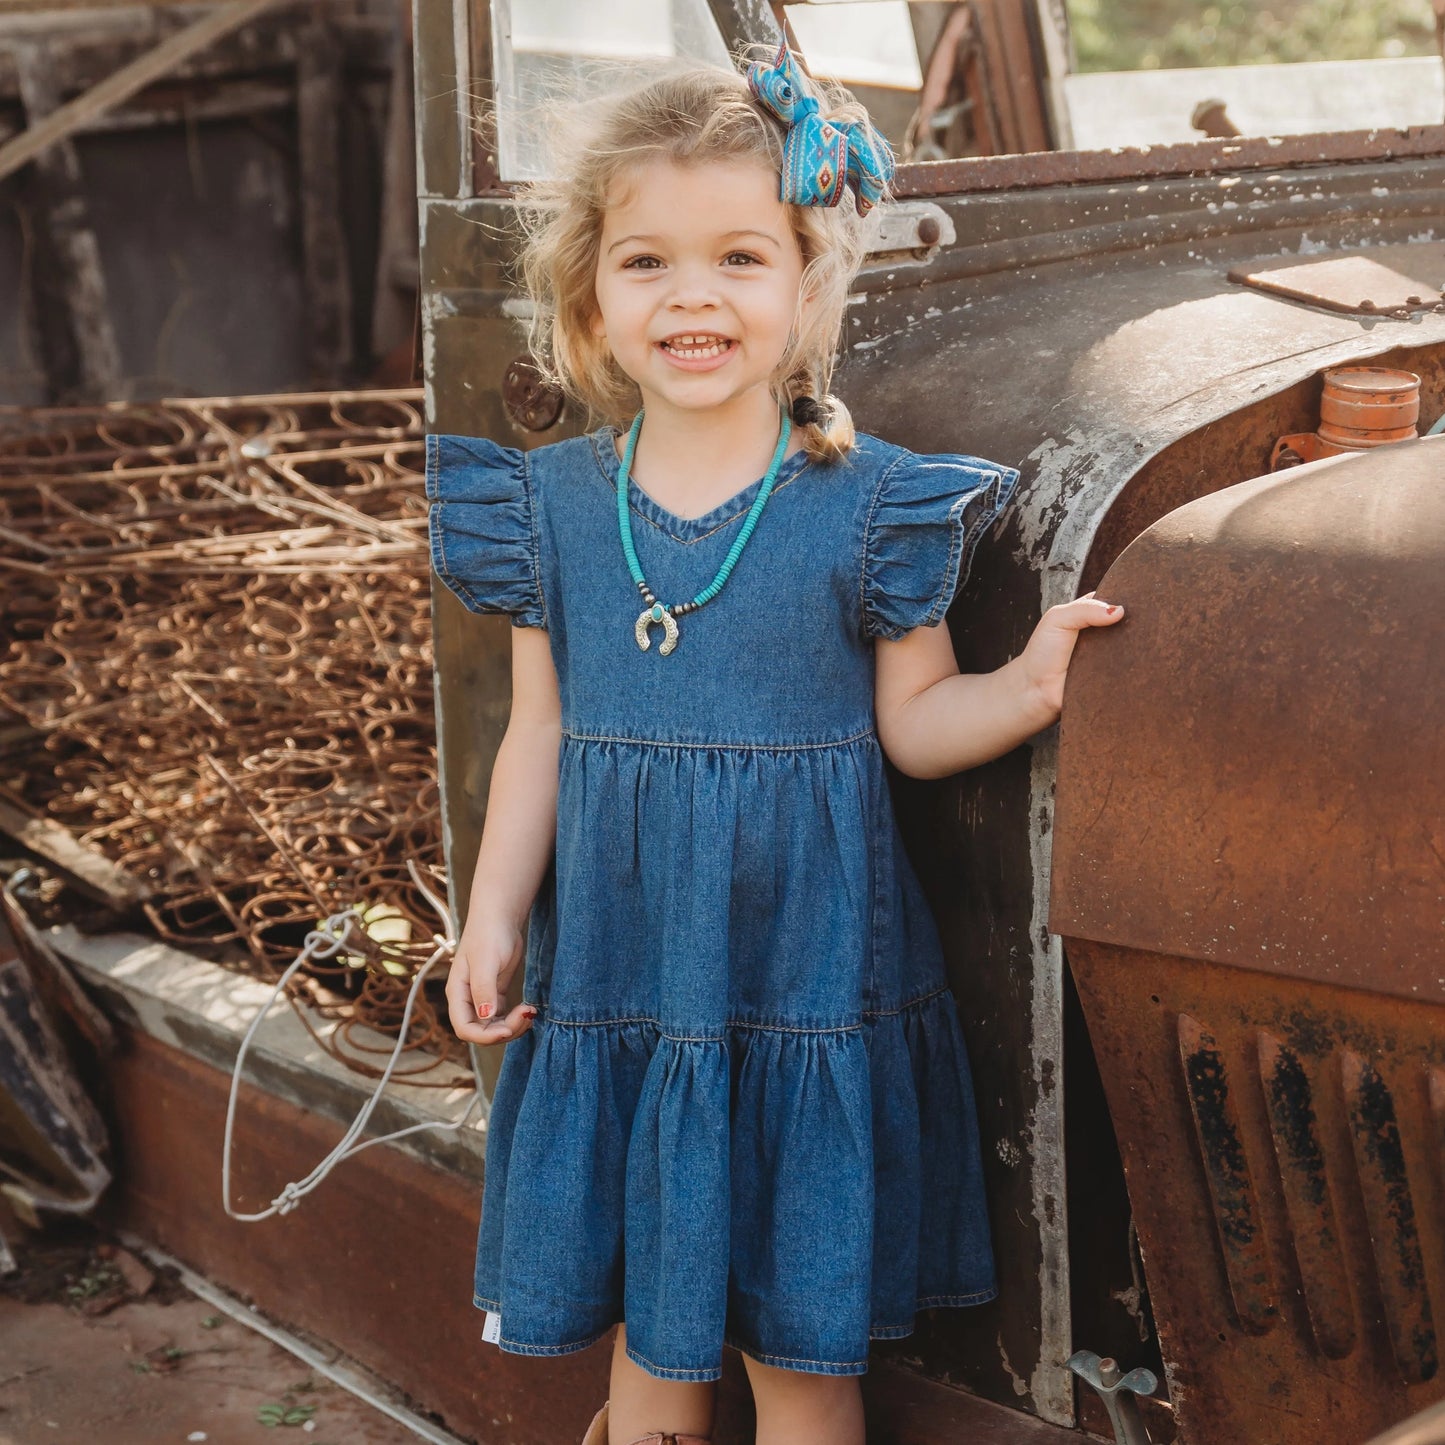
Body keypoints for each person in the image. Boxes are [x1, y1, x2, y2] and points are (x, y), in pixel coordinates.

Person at [428, 46, 1122, 1445]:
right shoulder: (550, 507)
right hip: (625, 970)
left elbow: (915, 730)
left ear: (808, 286)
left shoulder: (866, 508)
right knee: (648, 1341)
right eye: (646, 263)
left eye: (741, 256)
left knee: (803, 1359)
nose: (693, 295)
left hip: (802, 976)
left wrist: (1031, 686)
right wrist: (491, 916)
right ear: (589, 296)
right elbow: (537, 734)